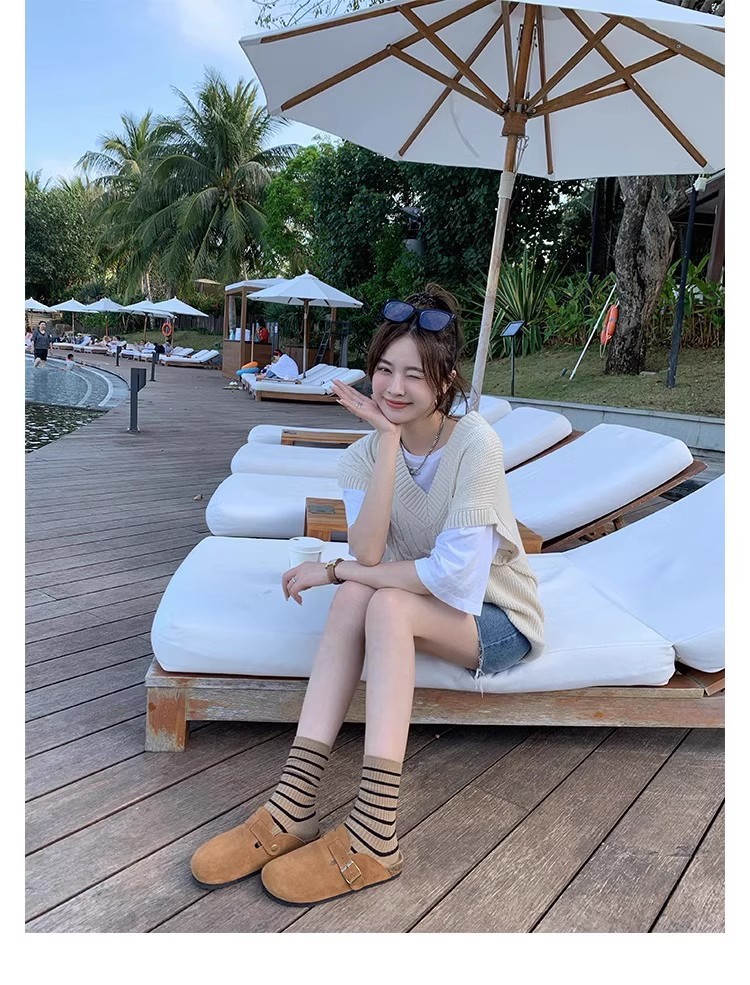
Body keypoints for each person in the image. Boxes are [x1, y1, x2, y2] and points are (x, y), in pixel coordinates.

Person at [190, 284, 545, 906]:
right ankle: (294, 805)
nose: (394, 388)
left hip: (495, 618)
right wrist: (385, 445)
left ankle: (377, 833)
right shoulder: (362, 455)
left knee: (375, 596)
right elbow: (372, 553)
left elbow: (455, 579)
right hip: (423, 602)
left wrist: (335, 572)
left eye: (415, 374)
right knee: (364, 594)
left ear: (446, 380)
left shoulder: (475, 443)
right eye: (385, 369)